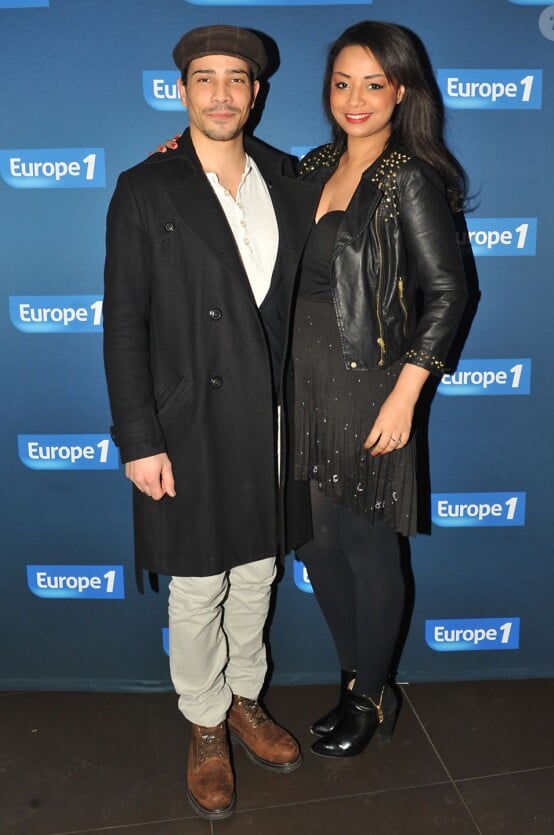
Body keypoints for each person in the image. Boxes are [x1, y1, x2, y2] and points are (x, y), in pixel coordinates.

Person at [103, 25, 320, 820]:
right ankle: (204, 722)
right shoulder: (144, 187)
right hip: (187, 420)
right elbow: (124, 323)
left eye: (238, 78)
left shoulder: (295, 177)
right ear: (183, 90)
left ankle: (243, 700)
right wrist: (139, 437)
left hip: (274, 418)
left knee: (258, 573)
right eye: (206, 78)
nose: (223, 92)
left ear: (257, 92)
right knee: (197, 584)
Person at [292, 20, 468, 758]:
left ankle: (370, 694)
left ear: (401, 89)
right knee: (316, 544)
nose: (356, 98)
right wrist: (178, 152)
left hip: (368, 381)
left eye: (373, 83)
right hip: (297, 378)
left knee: (366, 545)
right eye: (343, 82)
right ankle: (354, 676)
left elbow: (451, 291)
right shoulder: (309, 165)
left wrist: (406, 394)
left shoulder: (409, 177)